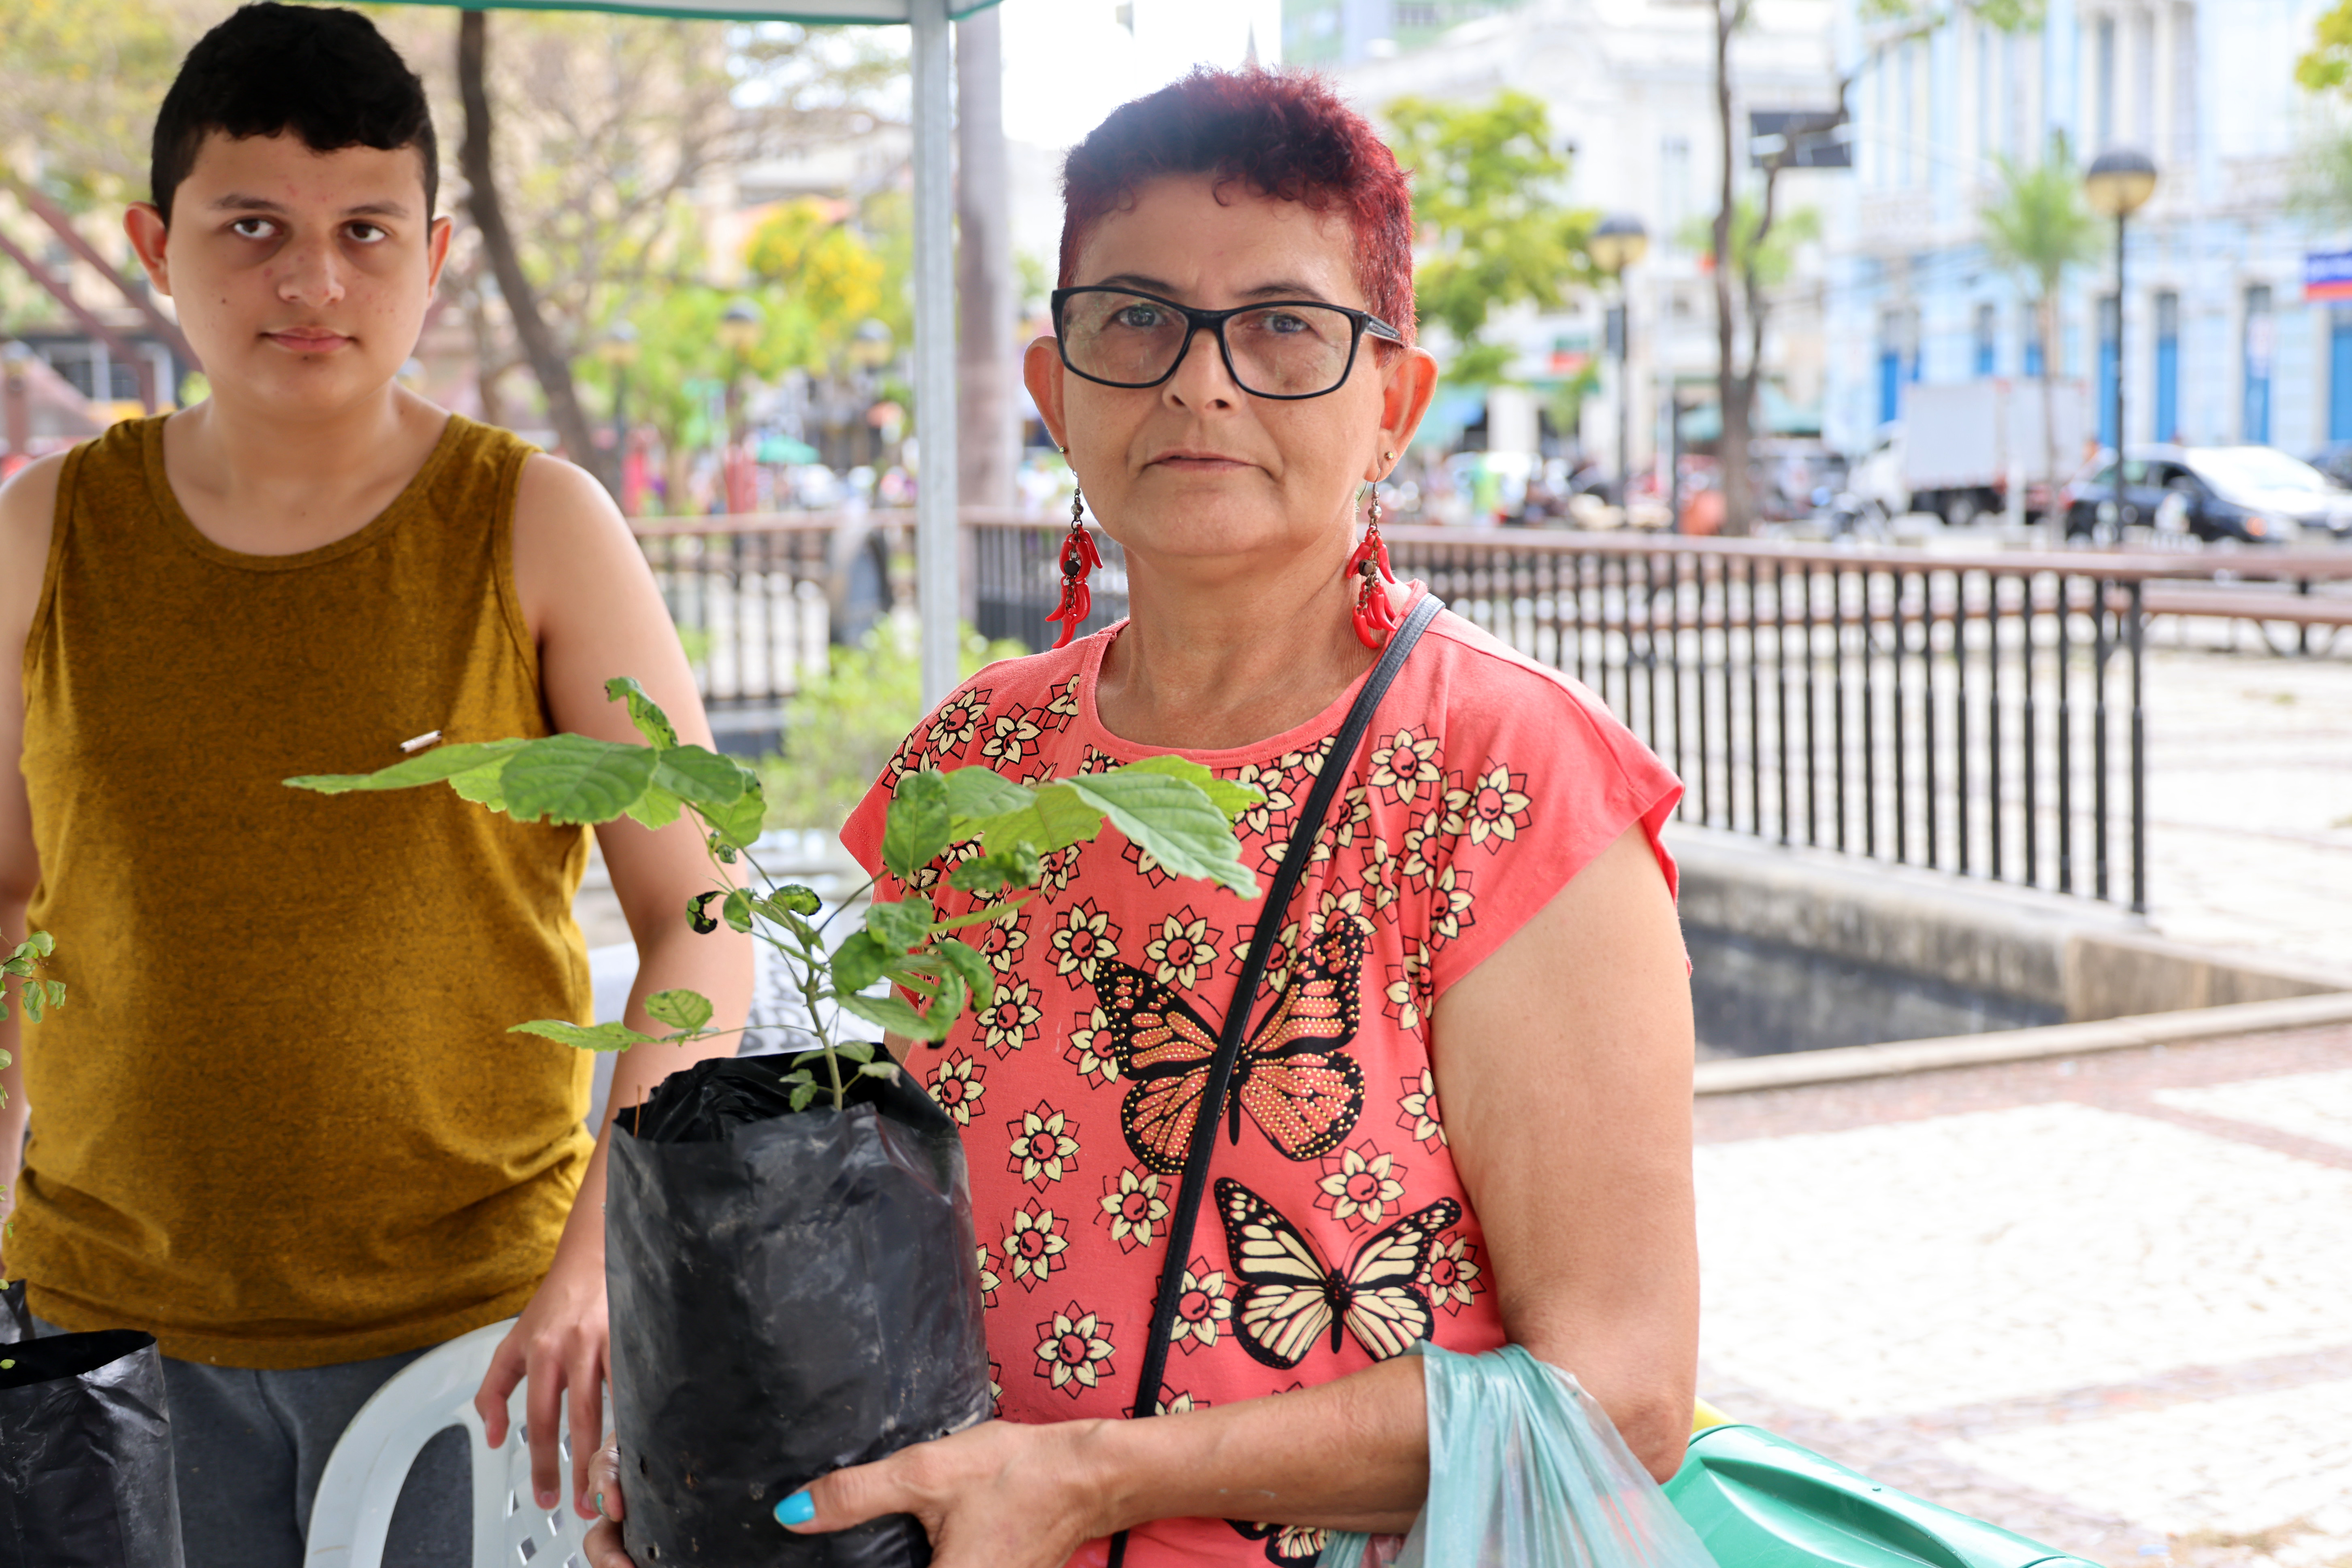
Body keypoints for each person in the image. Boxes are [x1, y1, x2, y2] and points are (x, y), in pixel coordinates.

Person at [585, 66, 1695, 1568]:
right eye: (1137, 319)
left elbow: (1621, 1396)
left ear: (1395, 404)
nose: (1202, 382)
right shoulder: (971, 763)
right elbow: (890, 1251)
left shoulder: (1505, 775)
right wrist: (738, 1472)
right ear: (1056, 390)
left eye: (1286, 327)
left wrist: (1094, 1479)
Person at [0, 6, 750, 1562]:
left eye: (365, 231)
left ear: (436, 249)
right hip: (102, 1328)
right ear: (156, 241)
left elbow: (703, 916)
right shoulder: (47, 531)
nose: (313, 281)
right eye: (254, 227)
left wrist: (602, 1266)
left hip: (473, 1337)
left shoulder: (534, 522)